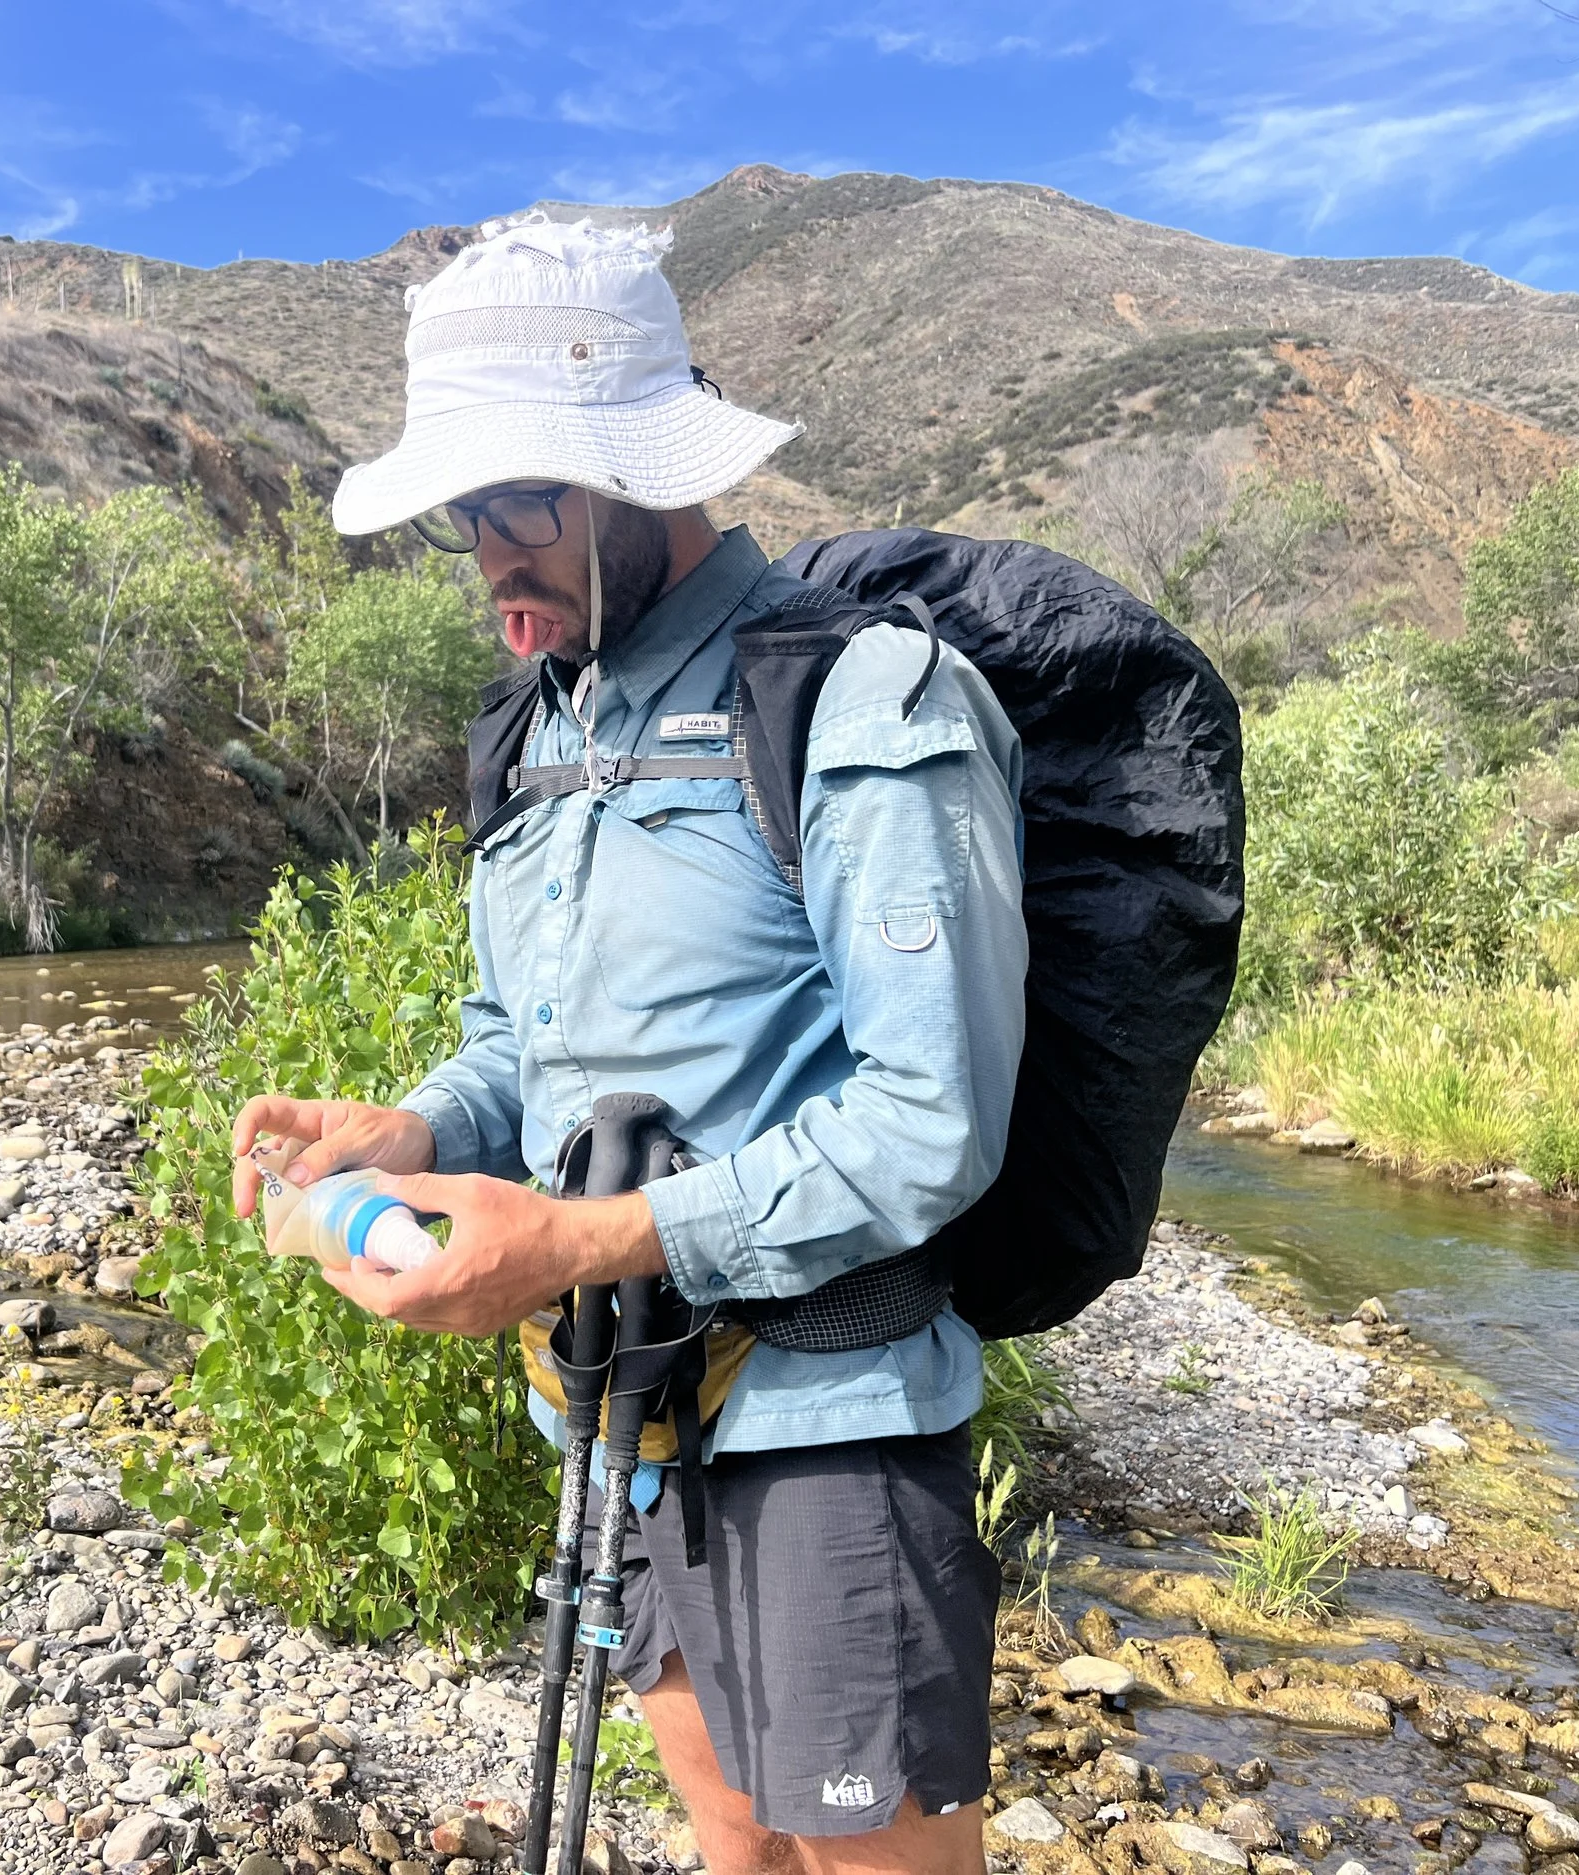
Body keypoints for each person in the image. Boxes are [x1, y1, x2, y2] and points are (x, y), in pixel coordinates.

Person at [228, 217, 1027, 1875]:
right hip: (624, 1418)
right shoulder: (532, 737)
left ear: (639, 469)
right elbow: (514, 1045)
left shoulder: (863, 704)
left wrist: (582, 1237)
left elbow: (932, 1119)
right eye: (470, 516)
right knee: (731, 1834)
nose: (488, 558)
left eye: (521, 504)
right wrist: (411, 1130)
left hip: (834, 1420)